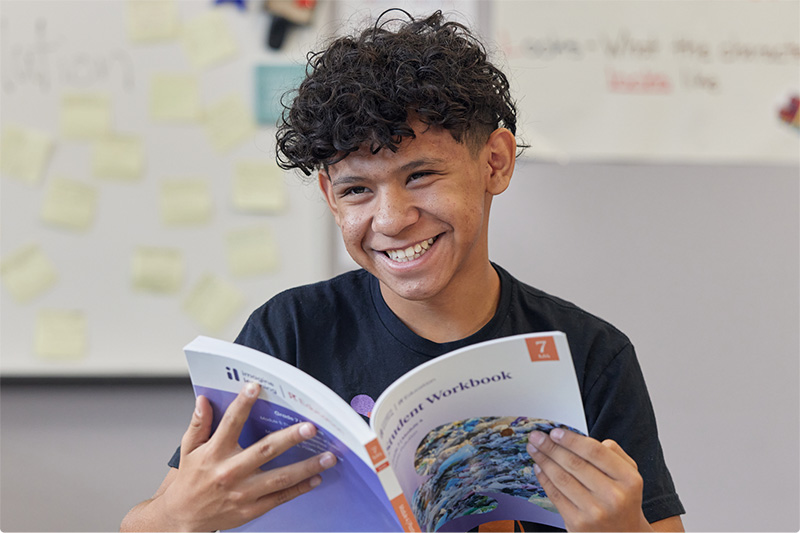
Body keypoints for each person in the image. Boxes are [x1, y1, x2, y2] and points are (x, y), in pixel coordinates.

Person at [121, 10, 685, 532]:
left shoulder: (589, 353)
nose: (391, 219)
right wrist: (178, 514)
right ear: (329, 195)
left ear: (495, 162)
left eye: (421, 176)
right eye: (358, 189)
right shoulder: (289, 331)